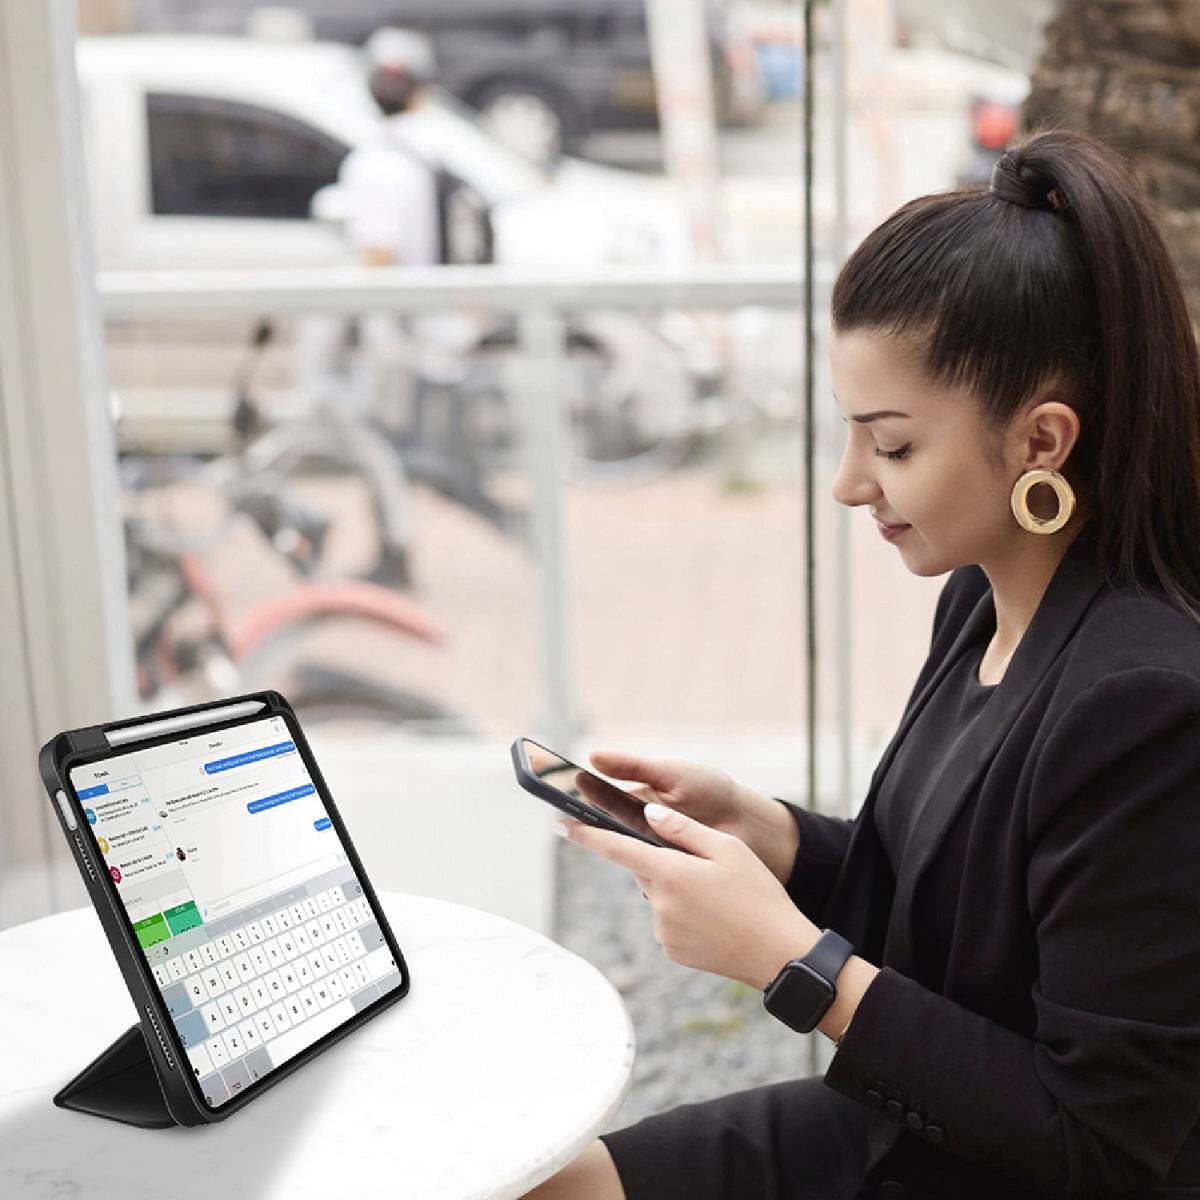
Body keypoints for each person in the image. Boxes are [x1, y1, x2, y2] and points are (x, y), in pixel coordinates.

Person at [523, 127, 1200, 1200]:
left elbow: (1104, 1145)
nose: (849, 483)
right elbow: (957, 923)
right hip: (915, 1120)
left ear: (1042, 440)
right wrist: (770, 833)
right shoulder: (982, 599)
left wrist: (794, 964)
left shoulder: (1145, 707)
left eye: (891, 446)